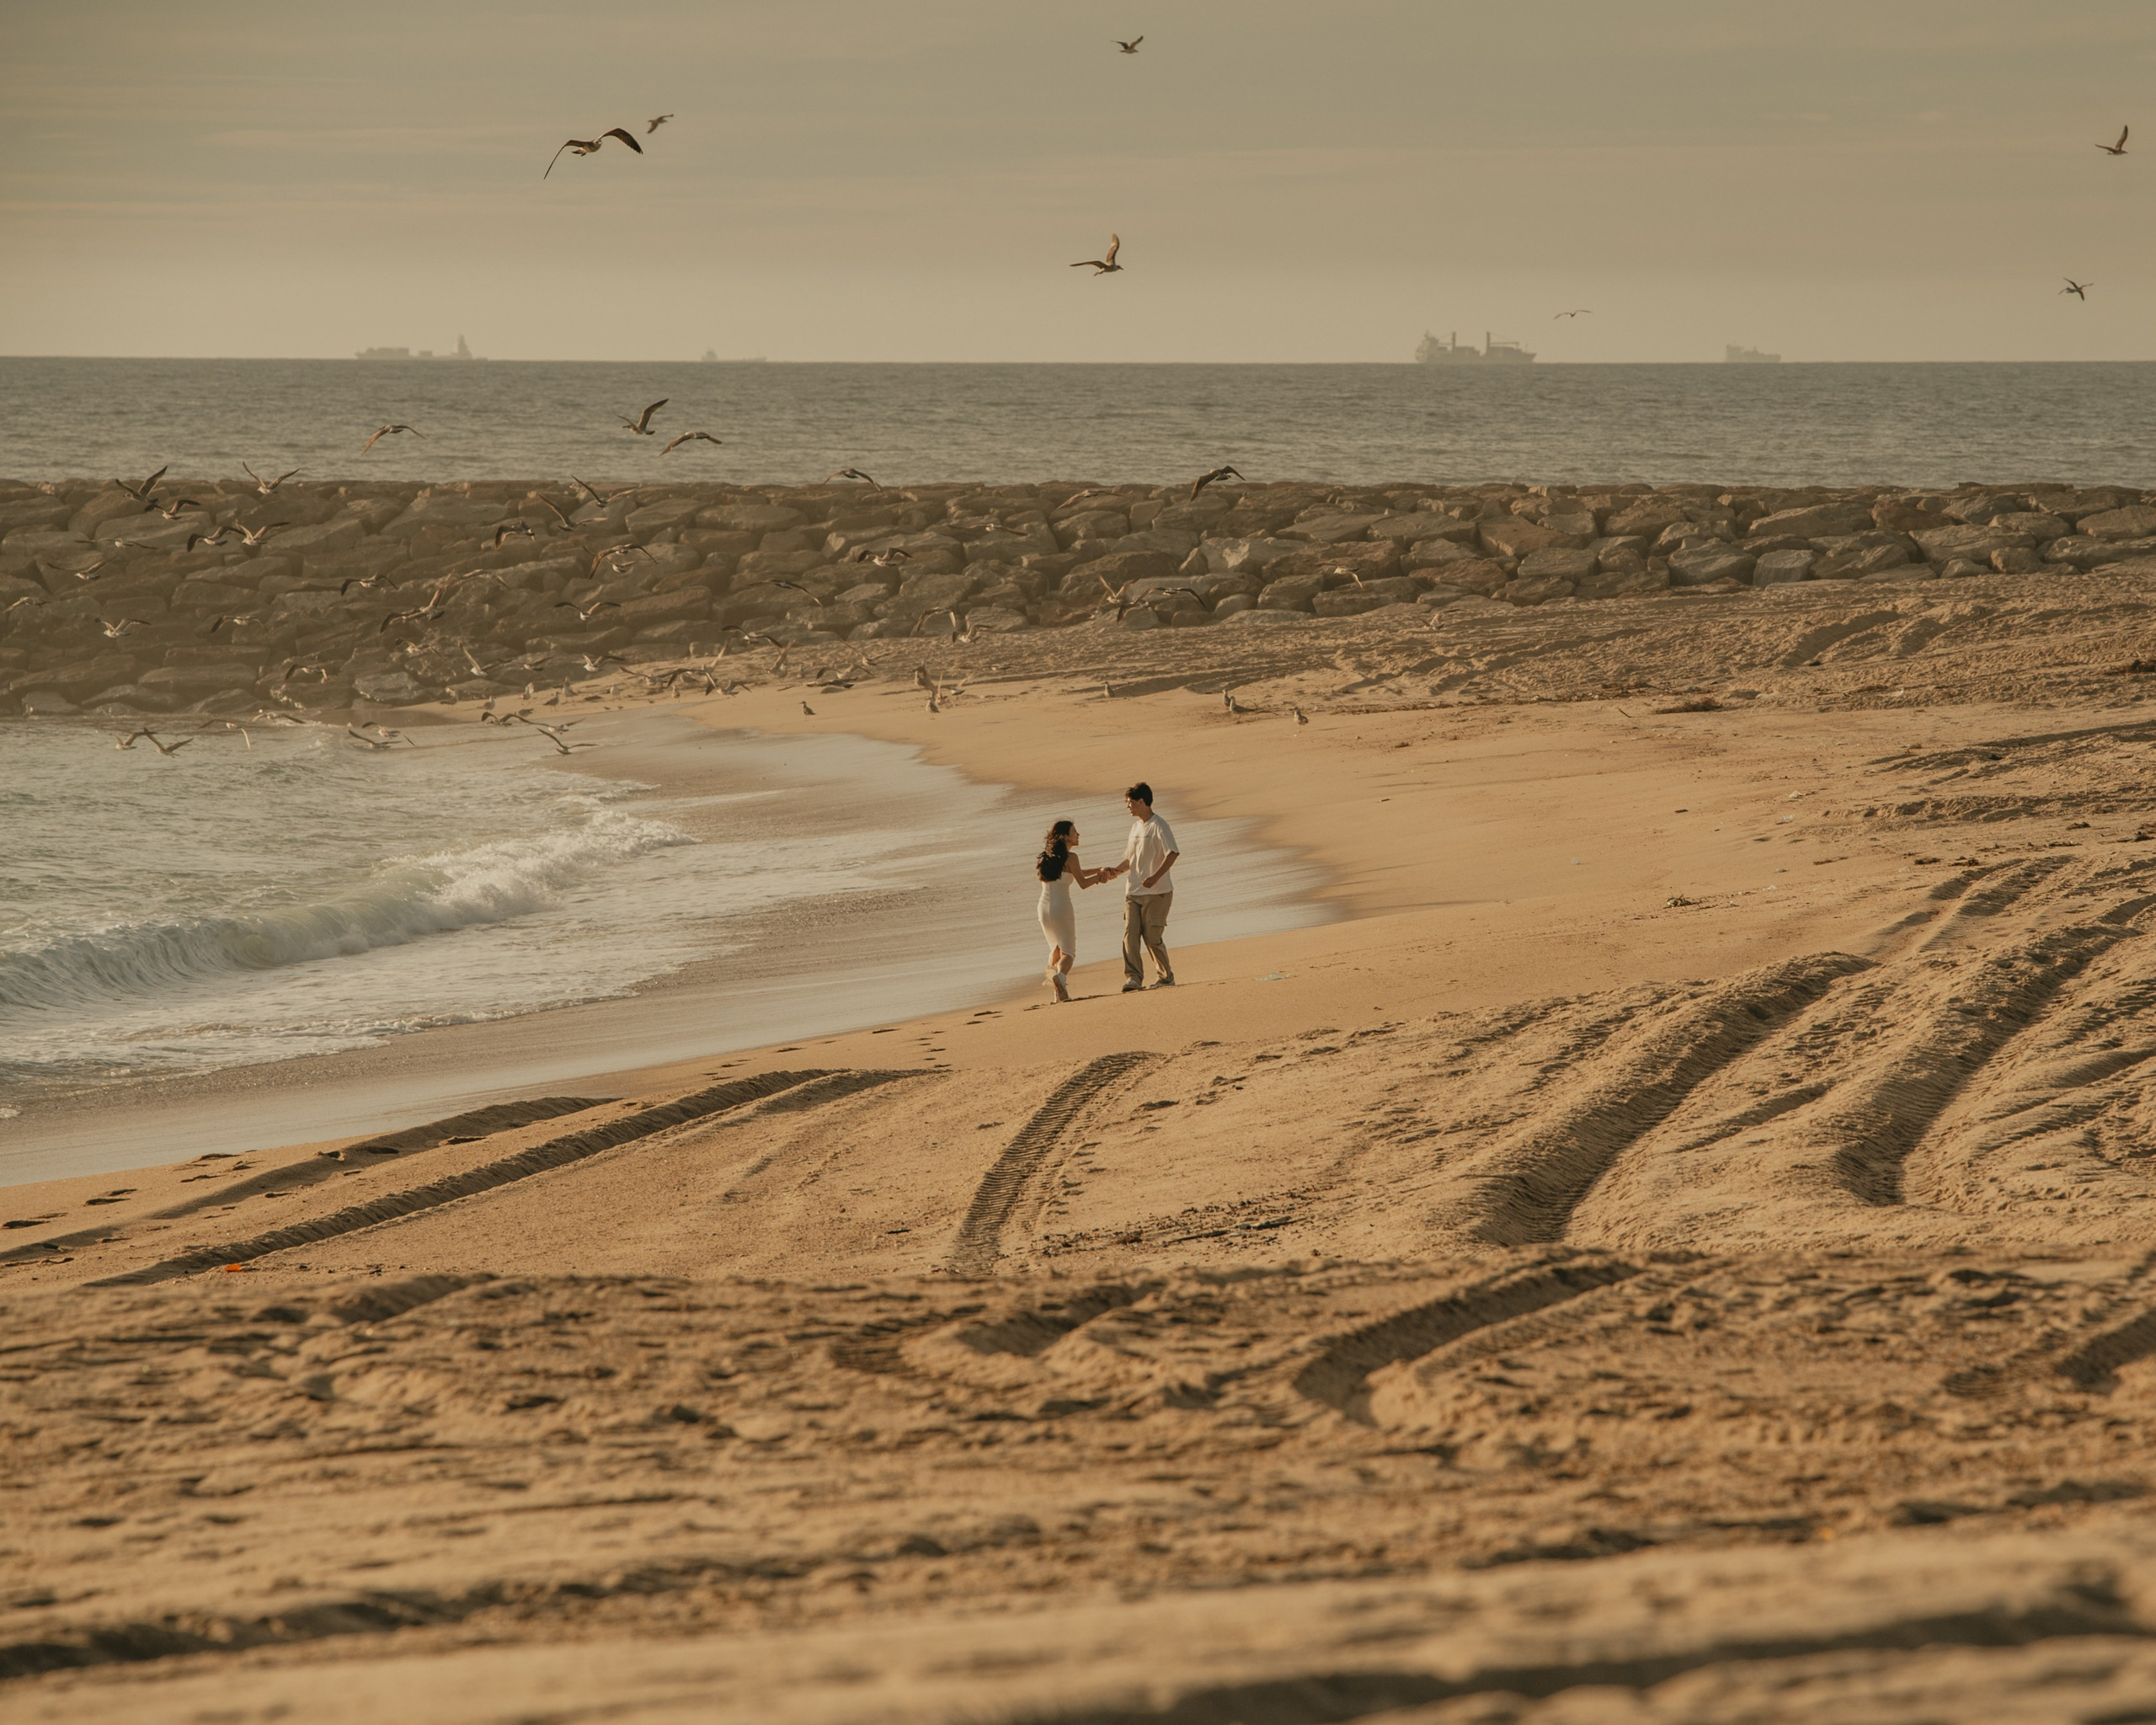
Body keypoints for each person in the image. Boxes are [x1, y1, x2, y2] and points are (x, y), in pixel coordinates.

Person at [1100, 781, 1179, 993]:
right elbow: (1130, 859)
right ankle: (1133, 978)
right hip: (1132, 892)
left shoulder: (1159, 825)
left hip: (1158, 892)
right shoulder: (1135, 827)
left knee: (1152, 938)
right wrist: (1114, 871)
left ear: (1142, 801)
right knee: (1130, 934)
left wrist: (1154, 877)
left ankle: (1165, 977)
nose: (1128, 806)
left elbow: (1172, 853)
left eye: (1130, 803)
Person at [1035, 818, 1102, 1002]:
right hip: (1061, 907)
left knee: (1055, 949)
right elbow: (1083, 882)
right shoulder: (1071, 858)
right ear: (1065, 836)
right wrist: (1100, 877)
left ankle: (1057, 995)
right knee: (1069, 952)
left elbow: (1075, 872)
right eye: (1074, 831)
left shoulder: (1045, 857)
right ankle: (1061, 977)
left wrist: (1099, 870)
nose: (1078, 834)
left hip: (1043, 908)